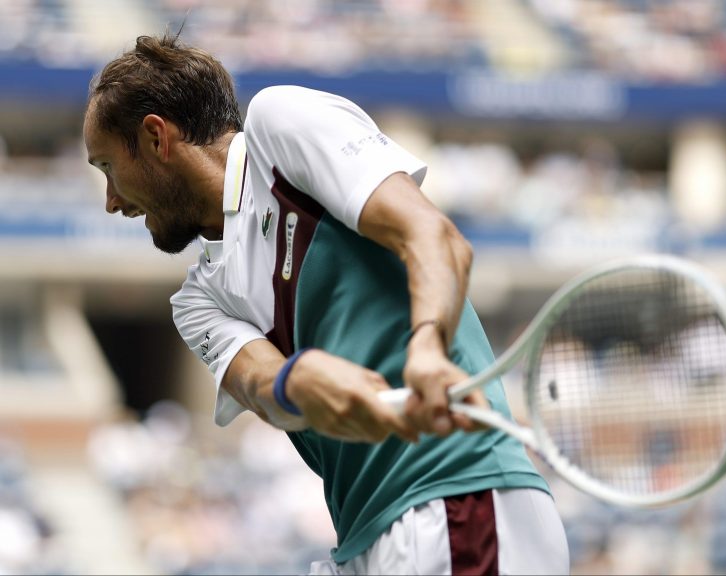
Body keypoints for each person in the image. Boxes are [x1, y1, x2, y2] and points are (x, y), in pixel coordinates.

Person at [83, 30, 570, 575]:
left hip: (454, 498)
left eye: (106, 167)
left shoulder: (278, 123)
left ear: (156, 138)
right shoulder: (197, 300)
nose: (110, 201)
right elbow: (263, 388)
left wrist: (429, 347)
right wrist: (300, 383)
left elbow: (432, 235)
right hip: (364, 534)